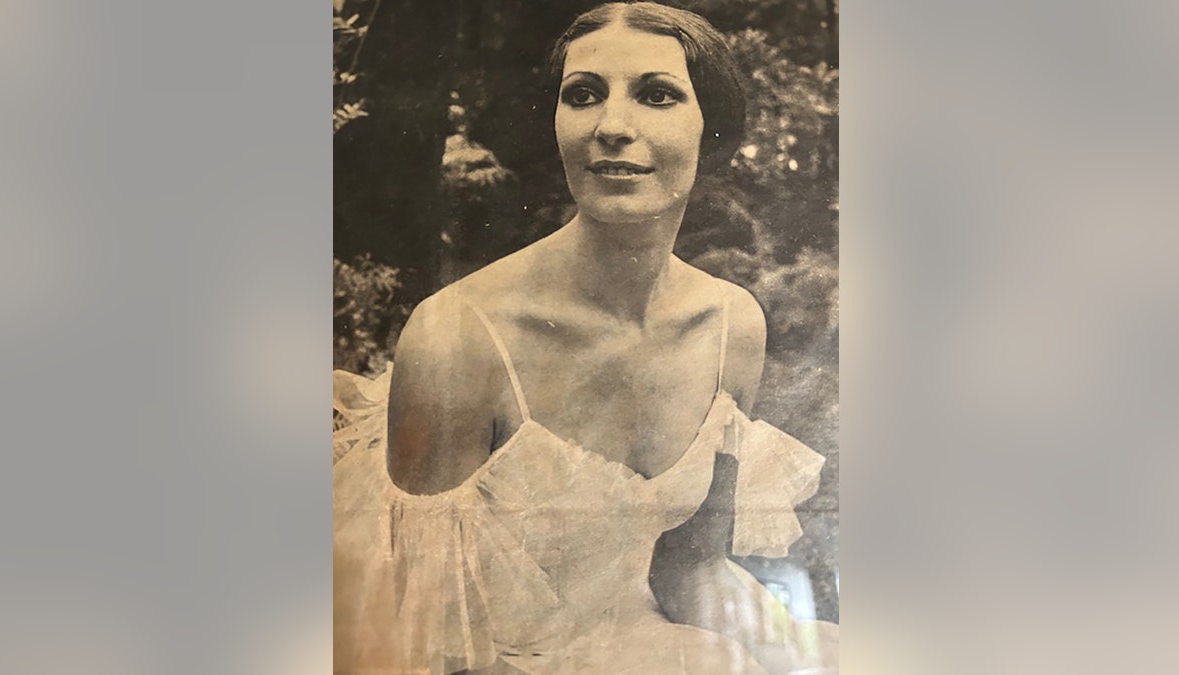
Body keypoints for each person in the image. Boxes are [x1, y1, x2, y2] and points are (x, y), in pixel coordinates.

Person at [334, 2, 839, 673]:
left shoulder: (730, 325)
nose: (612, 126)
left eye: (657, 95)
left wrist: (792, 660)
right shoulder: (459, 338)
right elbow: (409, 640)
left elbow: (693, 569)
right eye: (583, 95)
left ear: (710, 127)